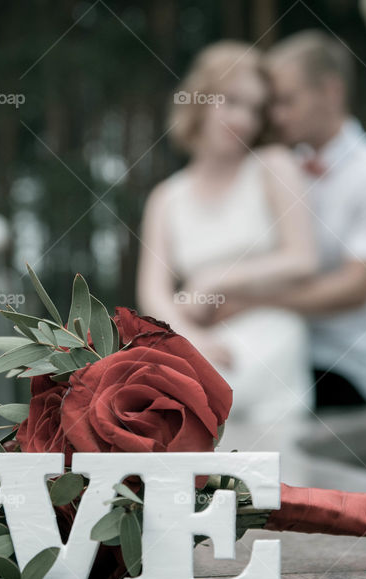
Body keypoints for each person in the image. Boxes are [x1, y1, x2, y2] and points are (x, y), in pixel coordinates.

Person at [212, 30, 366, 410]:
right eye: (272, 104)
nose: (276, 115)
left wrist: (250, 301)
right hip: (275, 349)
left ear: (331, 91)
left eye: (288, 101)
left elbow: (356, 288)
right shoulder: (279, 171)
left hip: (343, 372)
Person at [136, 41, 318, 423]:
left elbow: (303, 258)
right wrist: (189, 339)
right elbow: (153, 292)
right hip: (200, 344)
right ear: (199, 100)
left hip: (271, 341)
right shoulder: (166, 198)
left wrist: (216, 279)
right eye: (231, 101)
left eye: (255, 109)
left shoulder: (272, 166)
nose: (244, 119)